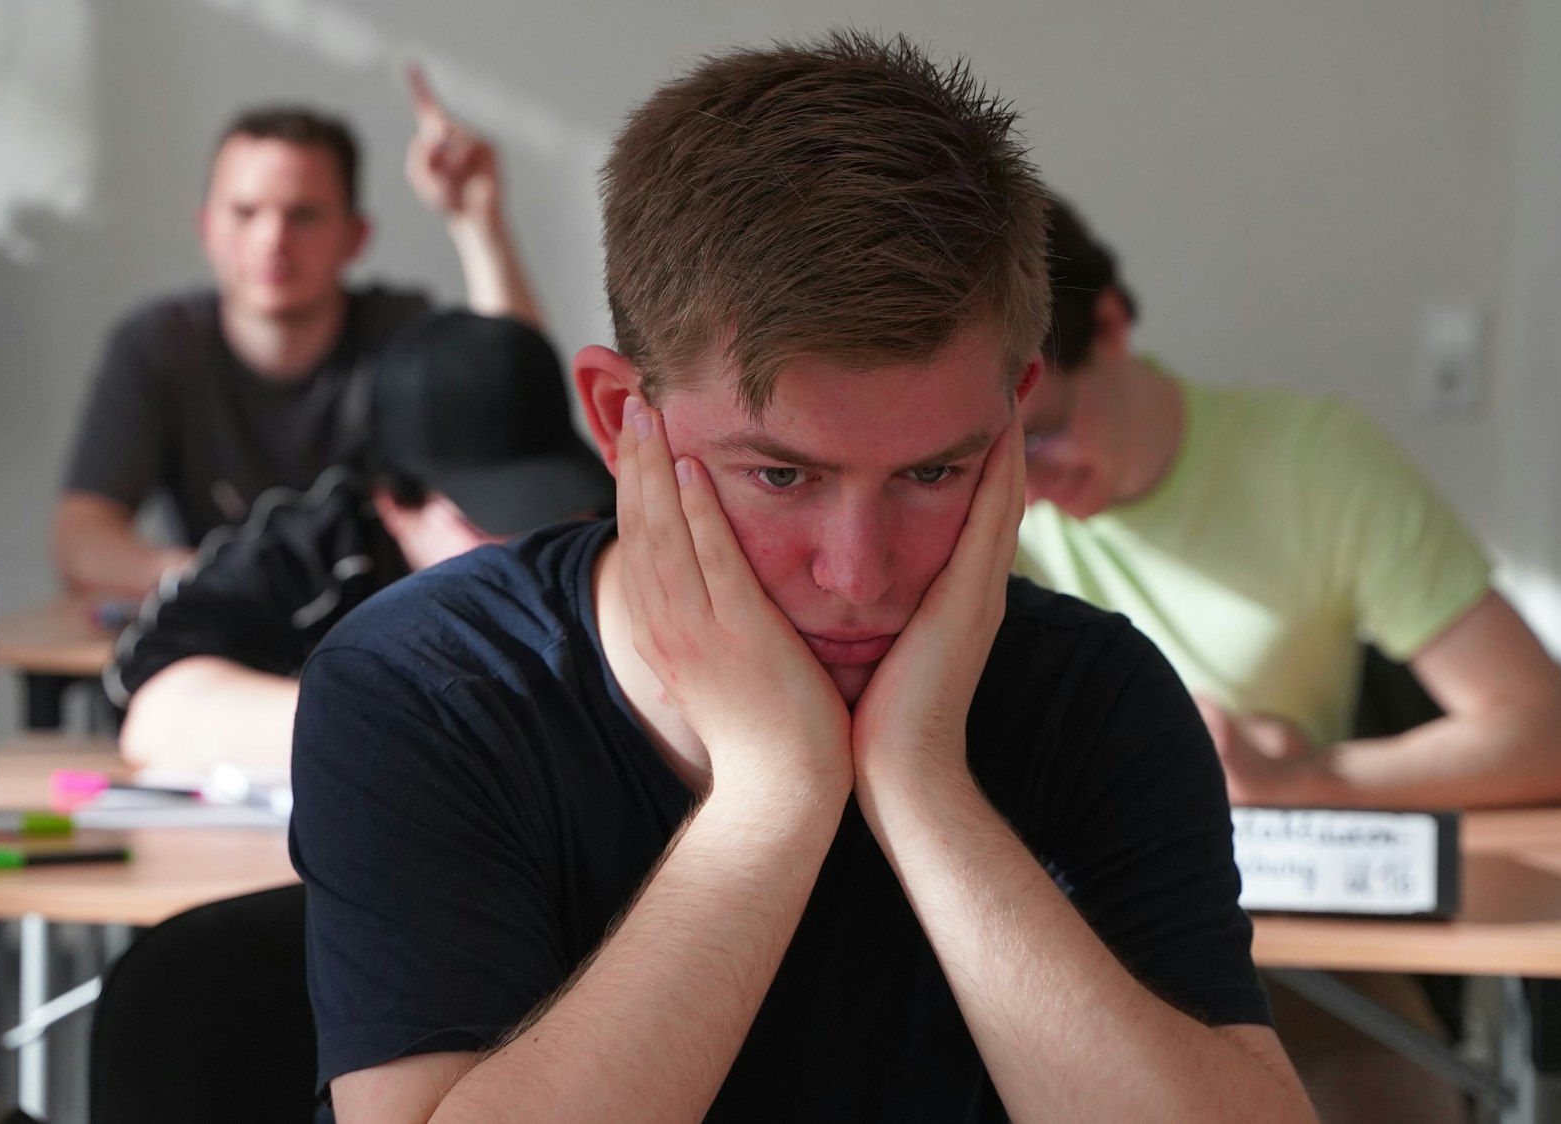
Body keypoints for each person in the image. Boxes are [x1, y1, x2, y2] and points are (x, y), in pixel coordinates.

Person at [291, 32, 1314, 1124]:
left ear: (1013, 417)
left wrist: (921, 779)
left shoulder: (1096, 696)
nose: (858, 573)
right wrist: (775, 796)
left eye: (934, 470)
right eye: (780, 473)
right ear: (615, 416)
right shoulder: (425, 688)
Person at [1014, 197, 1561, 1122]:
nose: (1025, 489)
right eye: (990, 453)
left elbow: (1554, 736)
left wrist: (1303, 777)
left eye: (1044, 433)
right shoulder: (979, 503)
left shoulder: (1317, 464)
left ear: (1112, 326)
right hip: (1058, 930)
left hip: (1293, 953)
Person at [57, 70, 541, 601]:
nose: (272, 240)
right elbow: (82, 537)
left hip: (383, 633)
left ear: (355, 237)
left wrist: (476, 221)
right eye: (245, 213)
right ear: (206, 229)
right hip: (225, 632)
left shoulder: (400, 332)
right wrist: (222, 582)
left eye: (303, 215)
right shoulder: (158, 344)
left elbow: (521, 417)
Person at [105, 311, 613, 774]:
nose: (537, 546)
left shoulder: (614, 530)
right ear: (394, 503)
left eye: (556, 508)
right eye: (491, 519)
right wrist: (417, 723)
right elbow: (157, 715)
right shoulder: (314, 555)